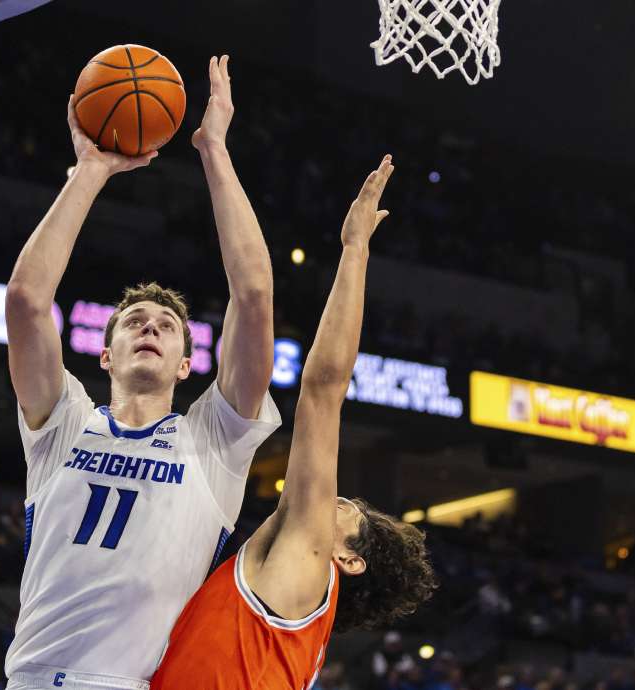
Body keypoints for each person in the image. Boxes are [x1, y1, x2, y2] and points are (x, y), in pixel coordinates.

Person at [2, 54, 278, 690]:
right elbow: (25, 300)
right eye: (133, 322)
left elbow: (255, 294)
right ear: (103, 355)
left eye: (165, 325)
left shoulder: (213, 441)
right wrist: (92, 169)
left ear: (188, 364)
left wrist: (214, 150)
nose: (149, 326)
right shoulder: (60, 423)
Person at [151, 156, 439, 689]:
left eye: (349, 512)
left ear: (347, 561)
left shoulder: (309, 563)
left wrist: (355, 251)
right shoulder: (292, 605)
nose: (333, 498)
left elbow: (324, 390)